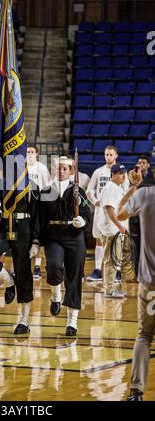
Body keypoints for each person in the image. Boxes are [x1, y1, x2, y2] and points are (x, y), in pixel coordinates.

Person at [40, 156, 91, 336]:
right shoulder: (47, 190)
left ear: (71, 171)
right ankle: (55, 295)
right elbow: (40, 218)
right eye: (59, 168)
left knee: (74, 276)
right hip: (53, 236)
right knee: (53, 266)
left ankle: (72, 320)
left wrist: (82, 221)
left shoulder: (79, 192)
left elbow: (87, 212)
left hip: (74, 236)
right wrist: (36, 241)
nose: (61, 171)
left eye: (65, 169)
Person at [0, 174, 40, 335]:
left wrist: (36, 240)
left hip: (24, 228)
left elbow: (36, 215)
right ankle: (9, 281)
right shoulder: (0, 183)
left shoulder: (32, 185)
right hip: (3, 226)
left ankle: (24, 319)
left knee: (23, 273)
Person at [117, 166, 155, 401]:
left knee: (144, 335)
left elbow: (119, 213)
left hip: (150, 281)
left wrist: (133, 187)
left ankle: (136, 391)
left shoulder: (144, 195)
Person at [98, 164, 135, 298]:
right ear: (112, 175)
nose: (123, 176)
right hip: (111, 231)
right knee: (111, 260)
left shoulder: (117, 188)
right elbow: (110, 210)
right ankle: (108, 290)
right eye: (120, 173)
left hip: (116, 231)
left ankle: (112, 287)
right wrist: (120, 227)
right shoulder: (110, 188)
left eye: (124, 173)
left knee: (116, 259)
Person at [86, 145, 120, 281]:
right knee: (99, 240)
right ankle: (98, 270)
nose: (108, 157)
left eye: (111, 155)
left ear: (116, 155)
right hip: (100, 211)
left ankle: (117, 271)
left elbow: (125, 192)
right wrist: (95, 202)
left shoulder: (121, 172)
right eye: (106, 154)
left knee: (117, 241)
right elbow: (89, 190)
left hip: (116, 211)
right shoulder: (98, 172)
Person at [26, 144, 51, 279]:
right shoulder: (21, 167)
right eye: (28, 152)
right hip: (25, 205)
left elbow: (47, 187)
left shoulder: (42, 168)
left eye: (32, 152)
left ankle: (37, 266)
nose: (29, 154)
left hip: (39, 205)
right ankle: (24, 265)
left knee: (38, 236)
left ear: (36, 154)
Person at [129, 155, 155, 276]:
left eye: (144, 162)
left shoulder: (153, 178)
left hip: (149, 217)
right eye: (139, 162)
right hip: (135, 217)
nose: (141, 165)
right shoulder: (132, 178)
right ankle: (136, 273)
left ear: (148, 165)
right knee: (135, 245)